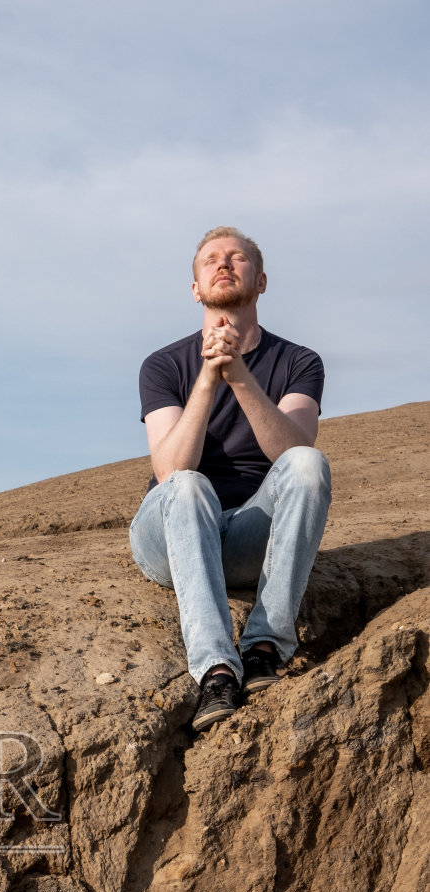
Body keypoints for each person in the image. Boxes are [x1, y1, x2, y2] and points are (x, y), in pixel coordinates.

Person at [130, 227, 331, 732]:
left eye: (237, 259)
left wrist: (239, 374)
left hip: (247, 536)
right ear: (195, 288)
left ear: (260, 281)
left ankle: (264, 646)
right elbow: (169, 468)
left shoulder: (299, 362)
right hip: (171, 534)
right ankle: (217, 670)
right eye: (210, 261)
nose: (224, 265)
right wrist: (207, 374)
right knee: (189, 483)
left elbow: (293, 452)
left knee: (311, 463)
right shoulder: (162, 364)